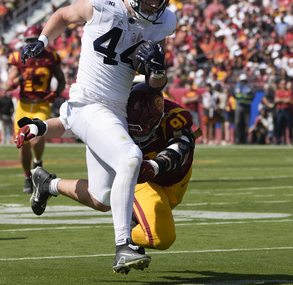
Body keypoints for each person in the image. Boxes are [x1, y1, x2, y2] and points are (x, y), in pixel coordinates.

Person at [18, 0, 176, 273]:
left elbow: (157, 85)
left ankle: (47, 182)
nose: (155, 4)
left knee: (103, 198)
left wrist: (157, 69)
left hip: (115, 111)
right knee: (130, 156)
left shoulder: (161, 23)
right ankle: (123, 246)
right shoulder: (103, 1)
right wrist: (43, 40)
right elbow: (64, 15)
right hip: (89, 103)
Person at [15, 83, 201, 271]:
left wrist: (154, 165)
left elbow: (182, 147)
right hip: (142, 180)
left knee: (101, 201)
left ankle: (49, 184)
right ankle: (128, 236)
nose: (140, 133)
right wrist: (40, 127)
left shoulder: (174, 115)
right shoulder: (114, 111)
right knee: (160, 237)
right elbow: (72, 123)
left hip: (171, 177)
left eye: (144, 128)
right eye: (134, 128)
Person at [6, 25, 66, 193]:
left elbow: (61, 80)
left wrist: (56, 93)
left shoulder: (52, 57)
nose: (32, 44)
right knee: (22, 143)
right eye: (29, 41)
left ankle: (37, 162)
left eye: (35, 40)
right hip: (23, 106)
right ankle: (27, 177)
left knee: (37, 138)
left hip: (41, 105)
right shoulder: (18, 57)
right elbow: (7, 86)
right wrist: (18, 79)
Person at [233, 73, 254, 144]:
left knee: (246, 123)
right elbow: (236, 94)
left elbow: (252, 95)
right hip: (239, 106)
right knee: (238, 122)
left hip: (247, 106)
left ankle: (245, 139)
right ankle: (237, 139)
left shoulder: (249, 87)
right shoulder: (238, 86)